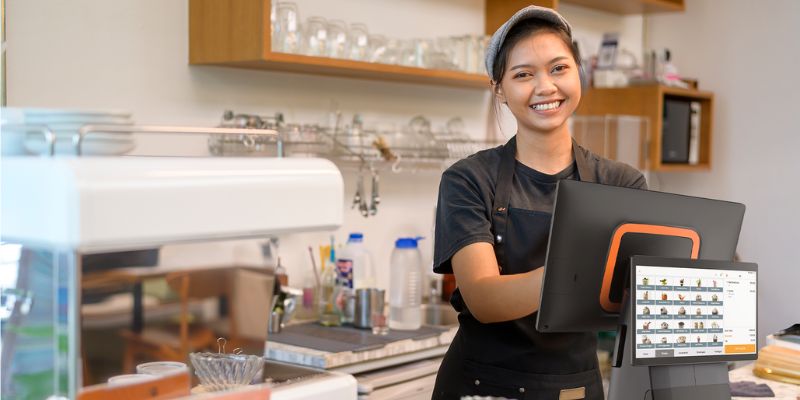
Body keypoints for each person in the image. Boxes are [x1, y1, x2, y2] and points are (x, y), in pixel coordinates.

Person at [432, 5, 647, 399]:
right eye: (523, 74)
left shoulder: (621, 183)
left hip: (576, 387)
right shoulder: (467, 180)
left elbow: (637, 299)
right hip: (483, 387)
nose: (545, 86)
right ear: (500, 89)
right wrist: (582, 273)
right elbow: (484, 298)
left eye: (559, 68)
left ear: (578, 71)